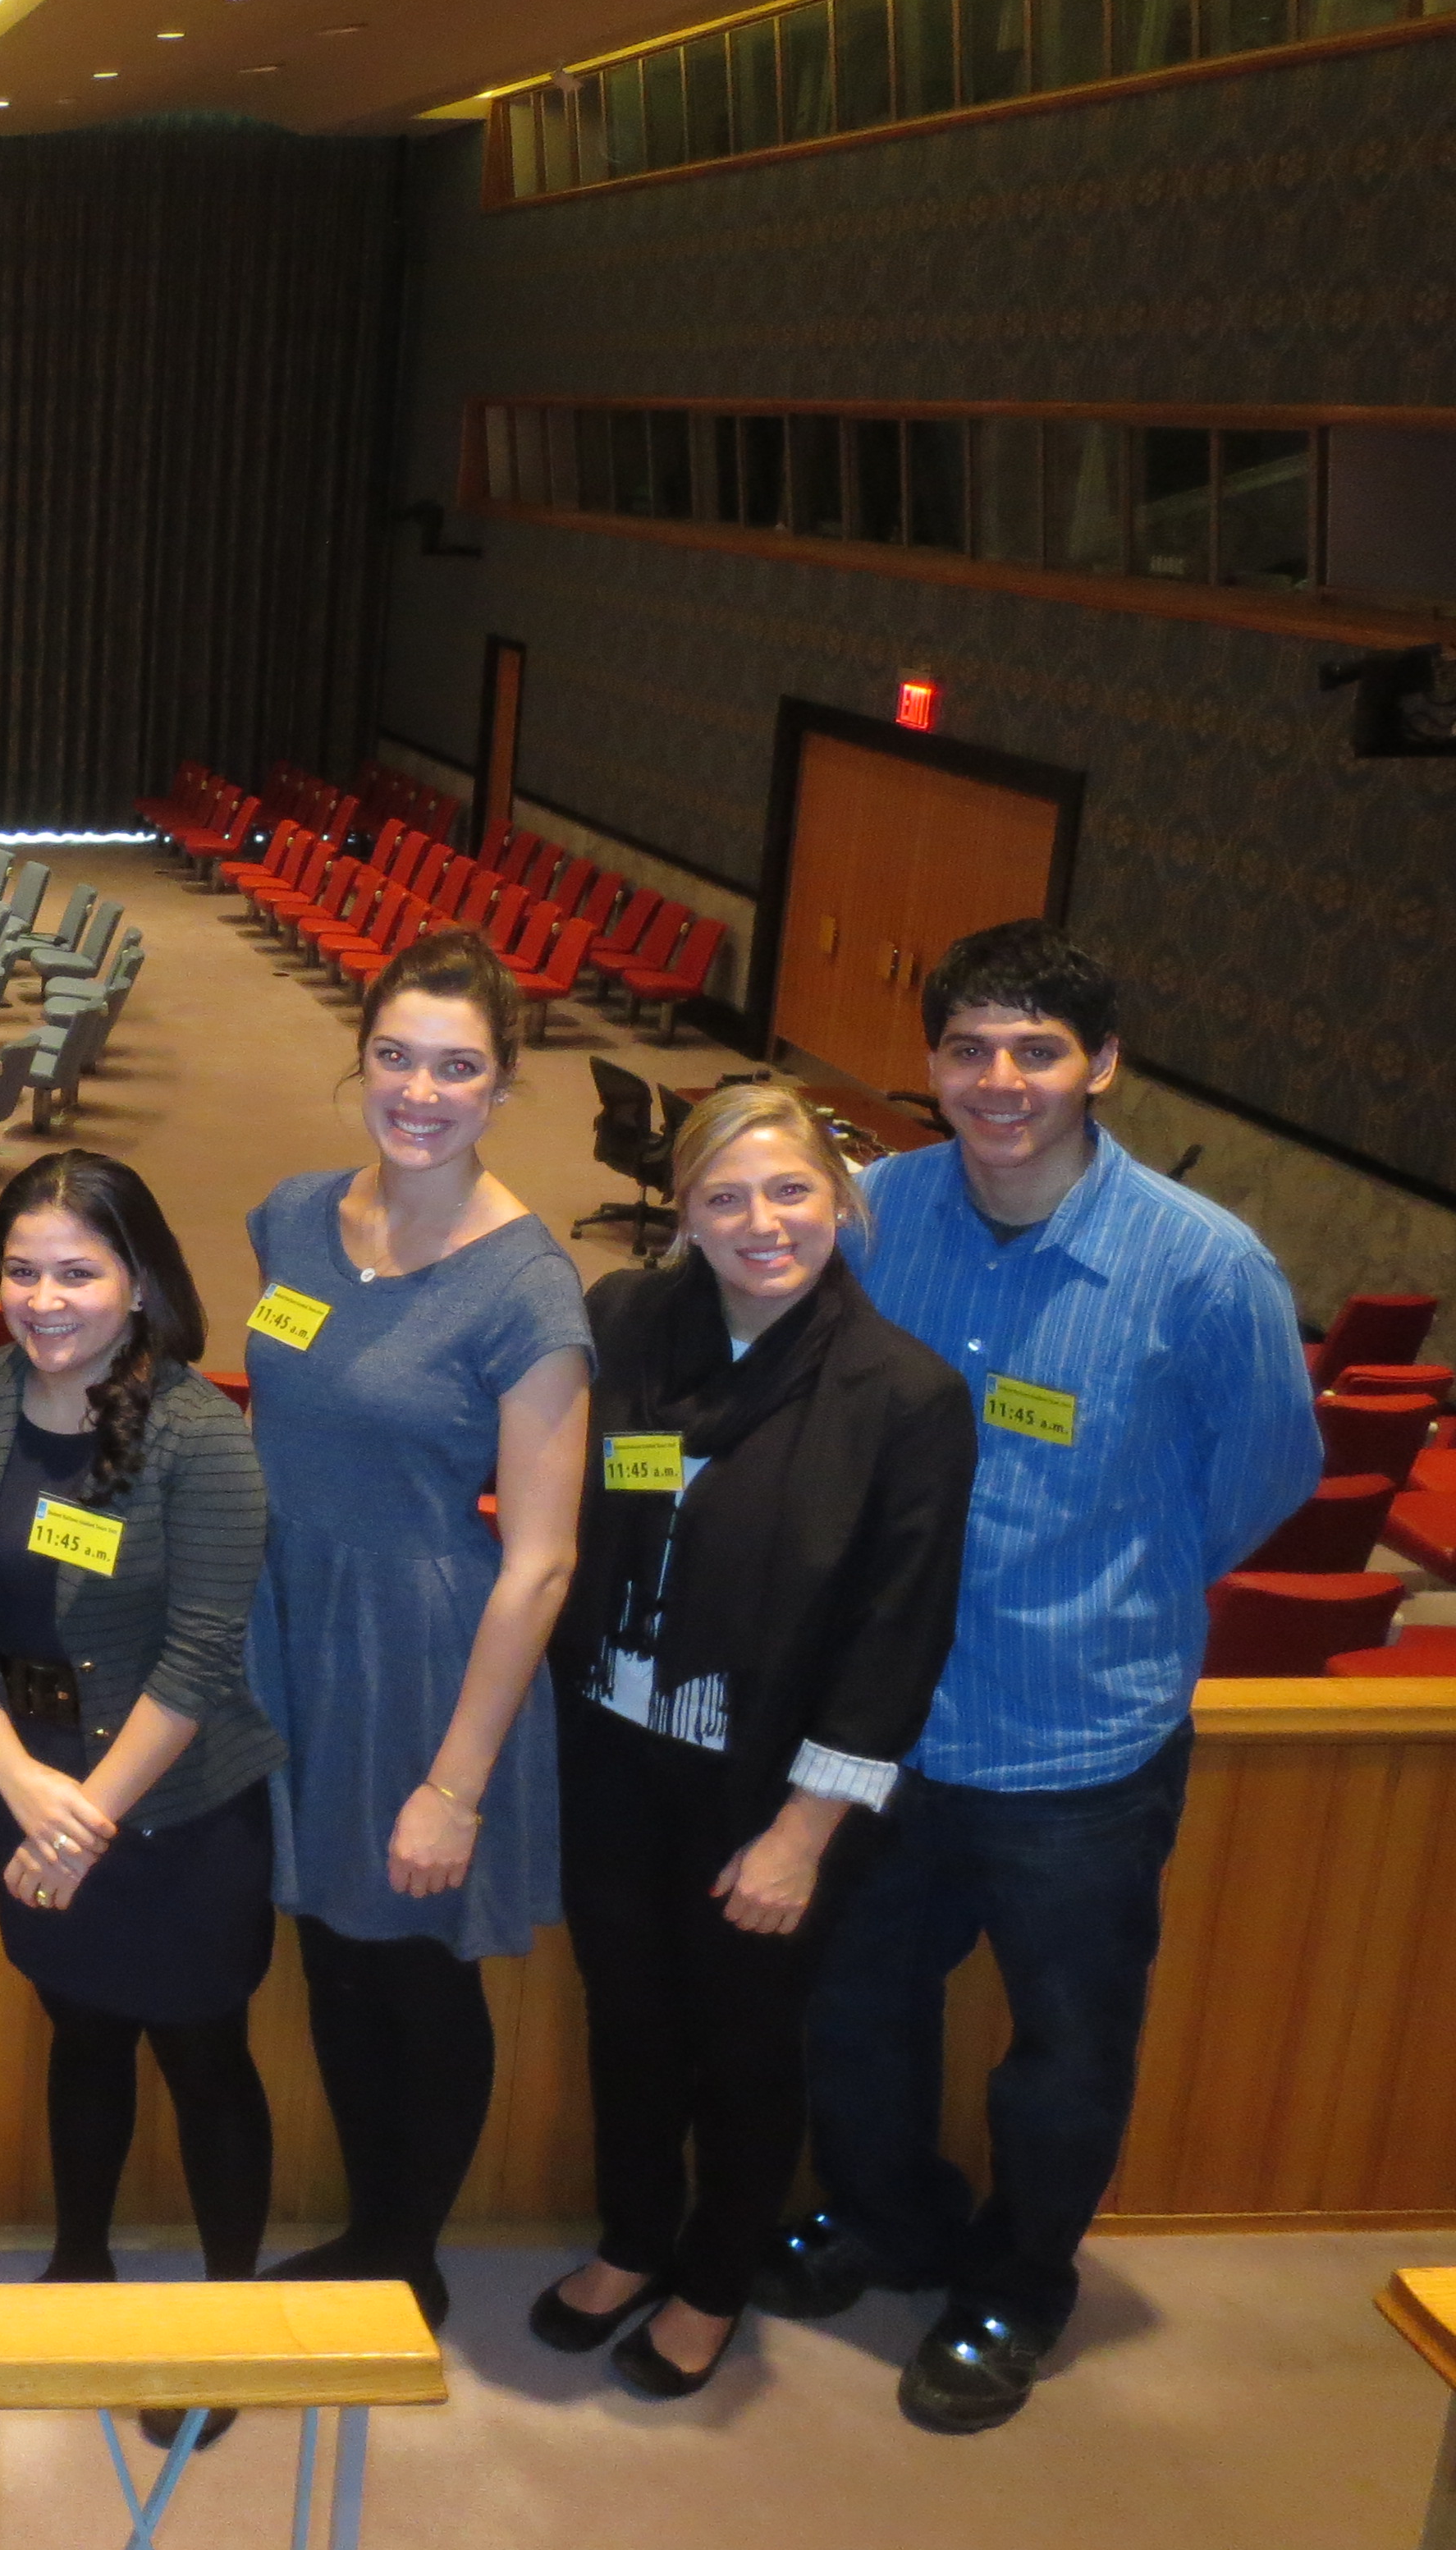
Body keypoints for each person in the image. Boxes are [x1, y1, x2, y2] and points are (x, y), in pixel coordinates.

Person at [756, 922, 1319, 2433]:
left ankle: (1017, 2284)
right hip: (887, 1730)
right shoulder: (880, 1215)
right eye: (968, 1050)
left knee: (1064, 2048)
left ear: (1102, 1066)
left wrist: (1106, 1588)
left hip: (1081, 1744)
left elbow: (1266, 1477)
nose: (998, 1082)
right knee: (854, 2008)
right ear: (931, 1064)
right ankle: (892, 2220)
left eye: (1037, 1051)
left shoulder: (1207, 1270)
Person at [531, 1083, 973, 2399]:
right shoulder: (622, 1323)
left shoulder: (903, 1396)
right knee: (628, 2018)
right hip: (612, 1746)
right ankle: (629, 2237)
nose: (762, 1223)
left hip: (768, 1789)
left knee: (744, 2043)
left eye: (791, 1193)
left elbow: (899, 1638)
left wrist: (801, 1834)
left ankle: (717, 2274)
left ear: (841, 1203)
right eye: (726, 1196)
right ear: (685, 1212)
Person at [0, 1149, 280, 2457]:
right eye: (21, 1271)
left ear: (138, 1281)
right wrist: (17, 1780)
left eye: (78, 1271)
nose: (44, 1299)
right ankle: (79, 2265)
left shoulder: (197, 1433)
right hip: (27, 1794)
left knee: (202, 2057)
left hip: (171, 1818)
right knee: (82, 2036)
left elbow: (199, 1656)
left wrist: (83, 1819)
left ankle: (234, 2331)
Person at [243, 927, 591, 2328]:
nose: (421, 1092)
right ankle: (372, 2228)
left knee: (414, 1966)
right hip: (292, 1623)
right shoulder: (286, 1216)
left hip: (425, 1652)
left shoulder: (529, 1290)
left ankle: (406, 2252)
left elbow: (546, 1562)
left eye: (459, 1067)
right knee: (333, 1944)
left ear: (503, 1085)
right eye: (398, 1057)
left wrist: (455, 1785)